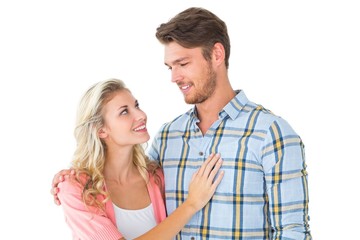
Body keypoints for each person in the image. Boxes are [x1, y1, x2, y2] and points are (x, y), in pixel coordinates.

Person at [52, 7, 312, 239]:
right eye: (170, 67)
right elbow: (131, 177)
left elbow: (293, 232)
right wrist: (73, 178)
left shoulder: (270, 134)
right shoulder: (168, 137)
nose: (175, 77)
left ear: (217, 54)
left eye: (183, 63)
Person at [55, 78, 224, 240]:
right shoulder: (76, 189)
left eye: (136, 106)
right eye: (124, 112)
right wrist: (191, 205)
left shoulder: (155, 177)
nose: (141, 115)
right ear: (101, 130)